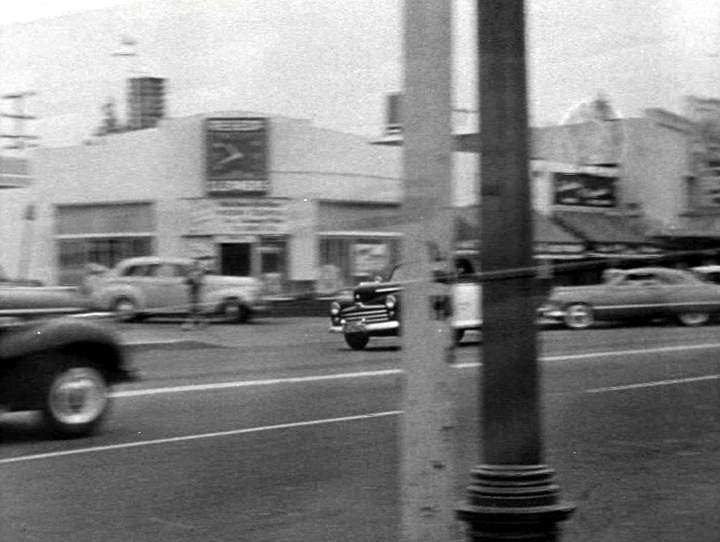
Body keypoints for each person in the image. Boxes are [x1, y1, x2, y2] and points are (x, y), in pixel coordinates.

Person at [182, 258, 207, 330]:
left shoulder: (197, 273)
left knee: (194, 309)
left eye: (195, 264)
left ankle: (190, 324)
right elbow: (186, 281)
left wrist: (191, 280)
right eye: (194, 264)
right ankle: (201, 323)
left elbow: (197, 281)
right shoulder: (193, 272)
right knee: (195, 309)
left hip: (196, 292)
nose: (194, 266)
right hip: (193, 292)